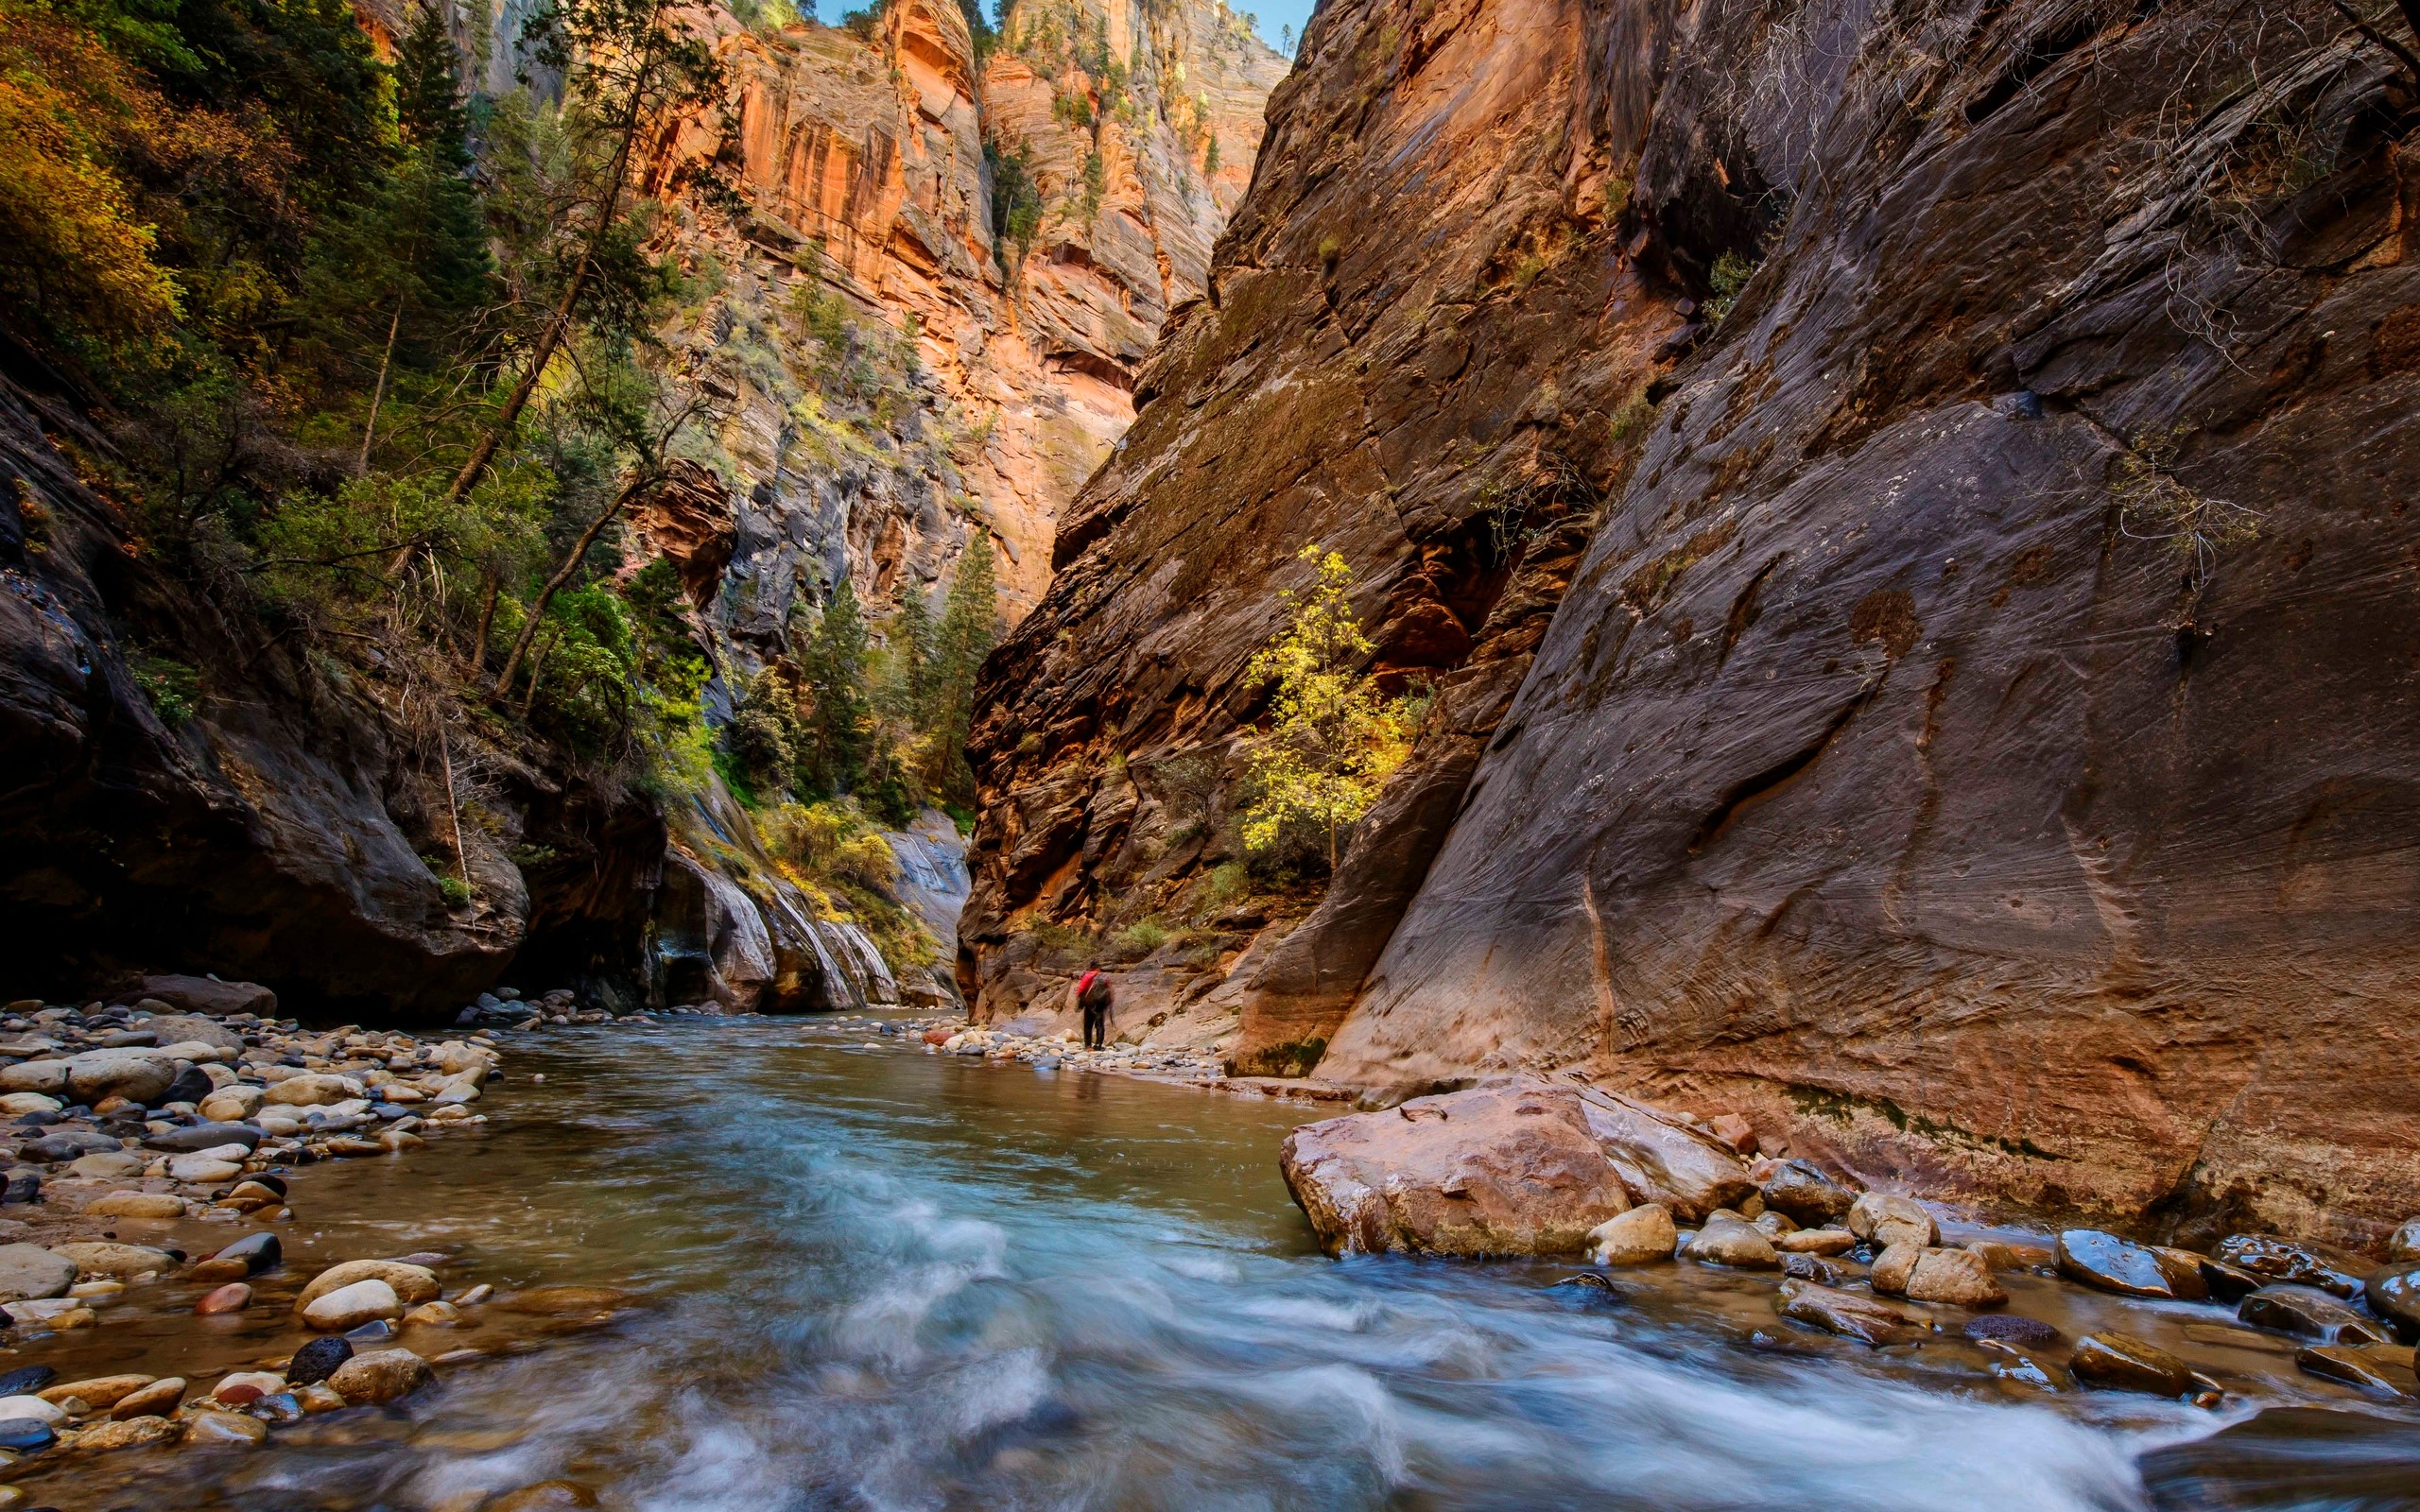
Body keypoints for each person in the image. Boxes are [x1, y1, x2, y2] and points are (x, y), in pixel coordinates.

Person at [1074, 967, 1114, 1050]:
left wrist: (1079, 1001)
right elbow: (1109, 991)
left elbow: (1081, 989)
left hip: (1090, 1003)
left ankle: (1088, 1045)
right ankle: (1098, 1045)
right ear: (1098, 969)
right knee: (1100, 1024)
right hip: (1101, 1004)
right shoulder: (1104, 977)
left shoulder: (1088, 976)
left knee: (1088, 1024)